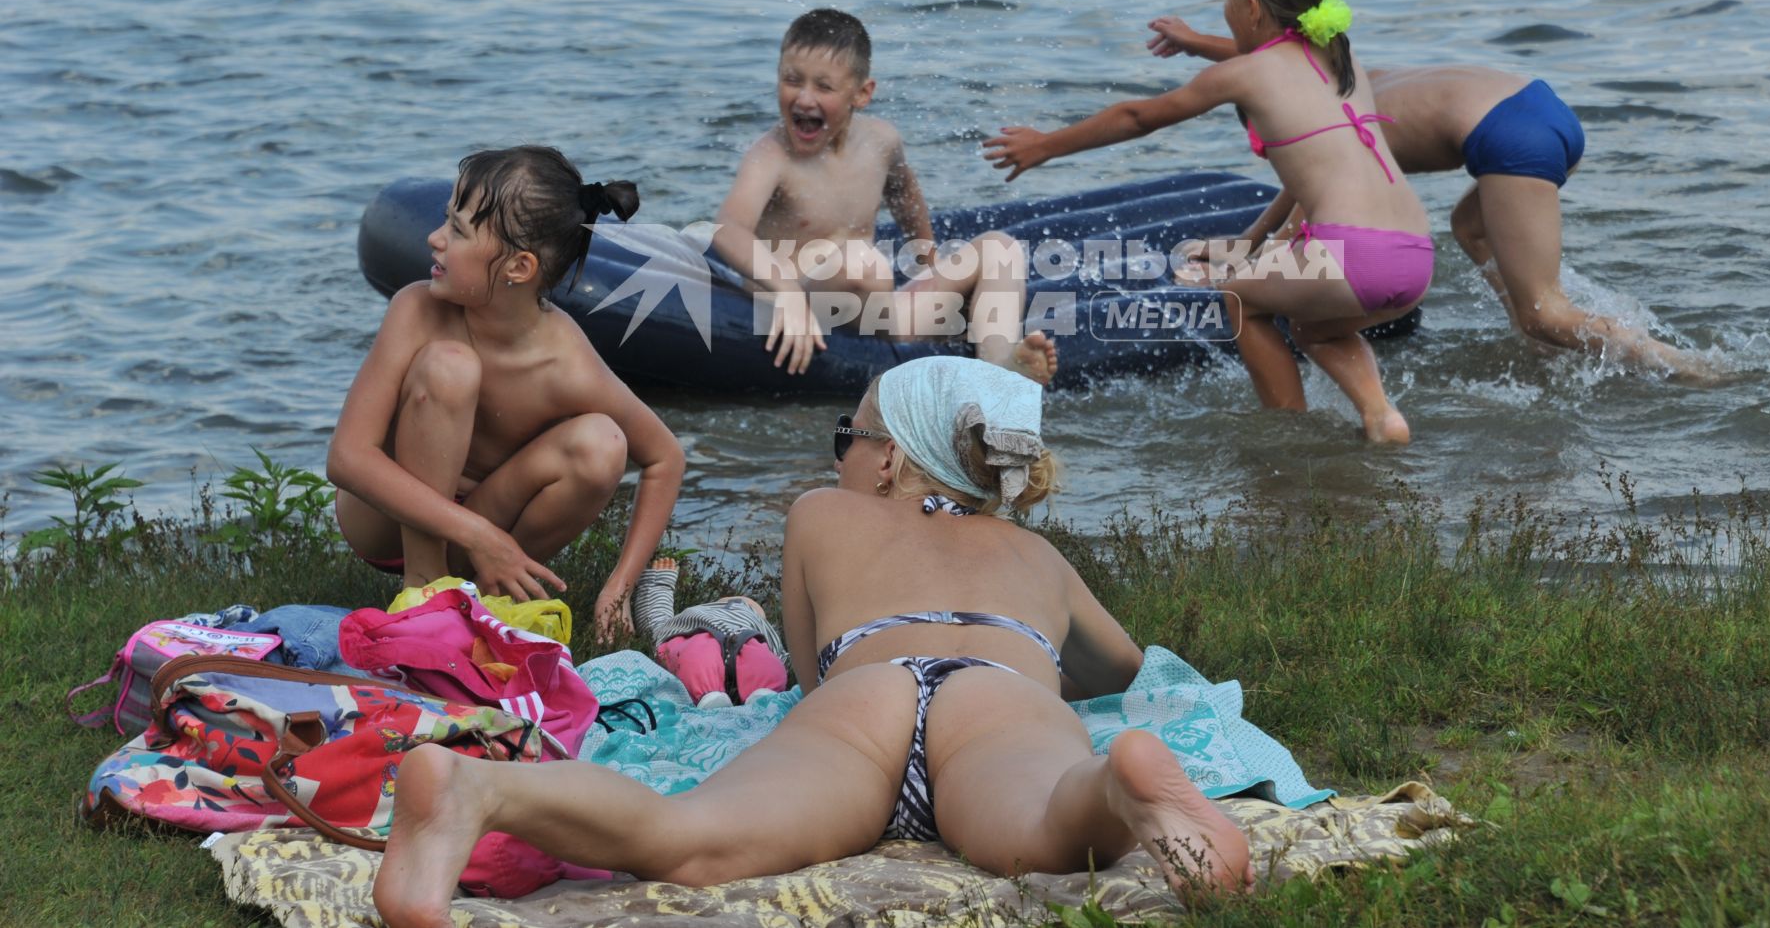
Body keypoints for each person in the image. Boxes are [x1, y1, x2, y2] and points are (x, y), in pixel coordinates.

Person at [370, 357, 1250, 928]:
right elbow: (1120, 667)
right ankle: (1119, 785)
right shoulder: (1037, 553)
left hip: (865, 693)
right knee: (1050, 828)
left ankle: (476, 790)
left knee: (695, 837)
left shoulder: (821, 515)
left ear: (888, 461)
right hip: (1000, 686)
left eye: (850, 435)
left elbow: (803, 664)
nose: (841, 457)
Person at [985, 0, 1431, 443]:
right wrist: (1254, 241)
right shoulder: (1343, 60)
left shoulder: (1246, 74)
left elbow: (1137, 116)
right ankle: (1381, 416)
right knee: (1314, 327)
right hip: (1414, 254)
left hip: (1350, 257)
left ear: (1252, 7)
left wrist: (1046, 145)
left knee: (1236, 297)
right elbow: (1298, 133)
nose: (1224, 8)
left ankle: (1288, 436)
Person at [1142, 23, 1716, 377]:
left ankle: (1690, 370)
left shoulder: (1326, 134)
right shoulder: (1343, 81)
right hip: (1541, 107)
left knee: (1549, 311)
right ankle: (1542, 347)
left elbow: (1305, 222)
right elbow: (1273, 70)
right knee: (1474, 230)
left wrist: (1245, 258)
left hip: (1511, 139)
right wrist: (1200, 46)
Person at [329, 145, 687, 645]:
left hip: (484, 526)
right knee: (450, 366)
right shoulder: (415, 309)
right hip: (385, 521)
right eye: (445, 220)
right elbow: (346, 459)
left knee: (602, 442)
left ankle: (479, 592)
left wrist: (619, 587)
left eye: (457, 231)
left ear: (518, 268)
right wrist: (477, 534)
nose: (434, 239)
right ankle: (424, 593)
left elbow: (664, 457)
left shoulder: (567, 364)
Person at [709, 8, 1056, 383]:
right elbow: (728, 227)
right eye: (792, 80)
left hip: (877, 312)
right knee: (863, 263)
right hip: (802, 302)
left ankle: (1001, 367)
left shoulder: (881, 141)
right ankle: (955, 332)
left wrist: (929, 264)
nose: (804, 99)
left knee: (1001, 248)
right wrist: (787, 292)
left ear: (862, 93)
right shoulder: (771, 155)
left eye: (823, 87)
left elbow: (906, 195)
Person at [635, 555, 791, 708]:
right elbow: (788, 659)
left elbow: (654, 618)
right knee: (765, 667)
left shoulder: (690, 618)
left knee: (697, 657)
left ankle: (709, 696)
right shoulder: (762, 630)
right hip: (751, 642)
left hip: (699, 640)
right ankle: (764, 692)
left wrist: (659, 582)